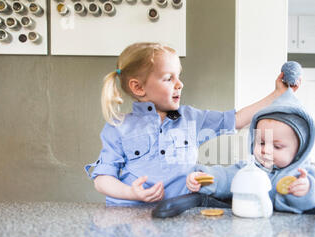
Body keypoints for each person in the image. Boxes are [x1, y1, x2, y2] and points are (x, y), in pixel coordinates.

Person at [85, 42, 290, 206]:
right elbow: (102, 179)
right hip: (129, 217)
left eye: (179, 77)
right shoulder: (117, 126)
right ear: (138, 87)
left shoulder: (192, 118)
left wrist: (277, 93)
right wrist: (131, 193)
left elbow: (236, 120)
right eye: (168, 78)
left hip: (180, 213)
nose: (179, 84)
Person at [186, 88, 315, 214]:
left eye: (277, 146)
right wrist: (204, 178)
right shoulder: (249, 170)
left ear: (300, 150)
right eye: (261, 142)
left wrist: (306, 191)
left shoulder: (304, 174)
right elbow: (225, 177)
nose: (266, 150)